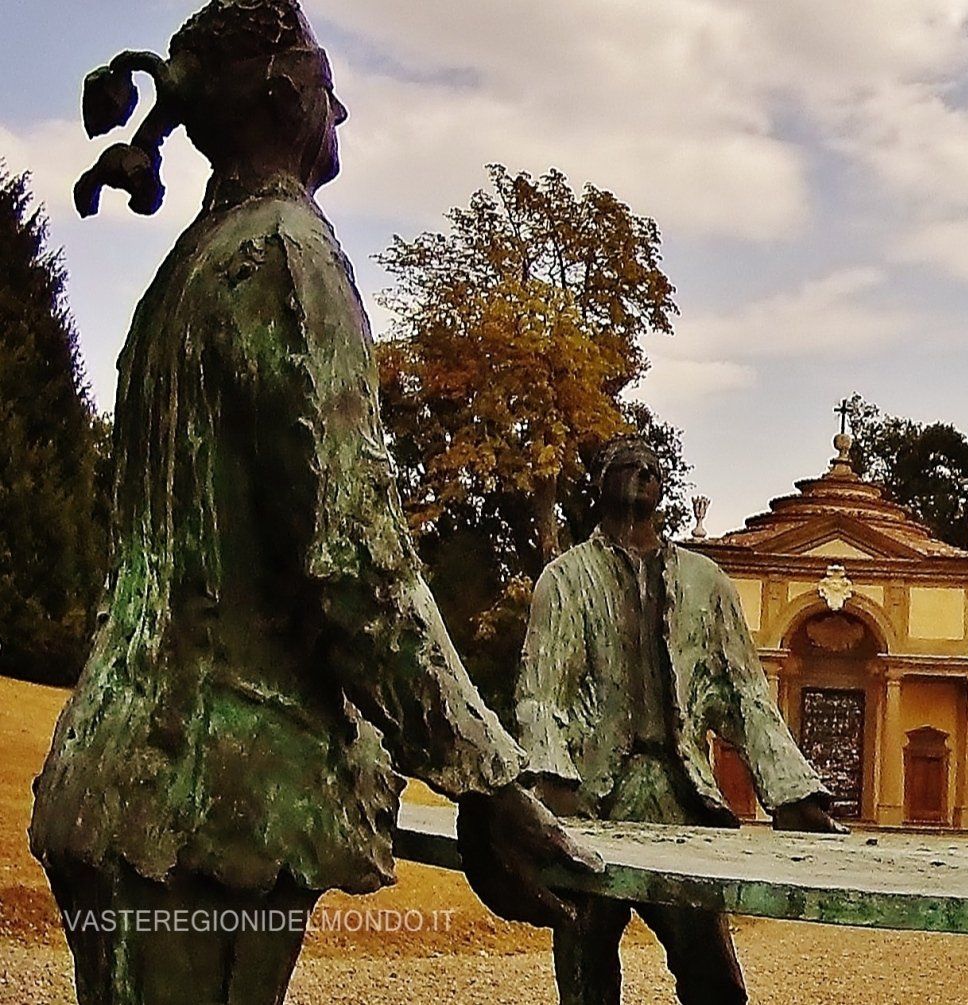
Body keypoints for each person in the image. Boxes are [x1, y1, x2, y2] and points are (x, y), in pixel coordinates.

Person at [31, 4, 599, 1003]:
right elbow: (353, 558)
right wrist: (488, 780)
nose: (343, 112)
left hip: (124, 778)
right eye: (330, 86)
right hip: (210, 807)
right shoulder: (290, 256)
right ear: (285, 93)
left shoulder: (194, 265)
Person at [514, 435, 844, 1005]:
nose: (644, 472)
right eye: (629, 465)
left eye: (652, 467)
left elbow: (746, 695)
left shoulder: (705, 582)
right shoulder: (565, 580)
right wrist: (552, 782)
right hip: (594, 799)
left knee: (713, 975)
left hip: (680, 797)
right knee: (586, 971)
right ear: (601, 483)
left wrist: (792, 793)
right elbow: (541, 692)